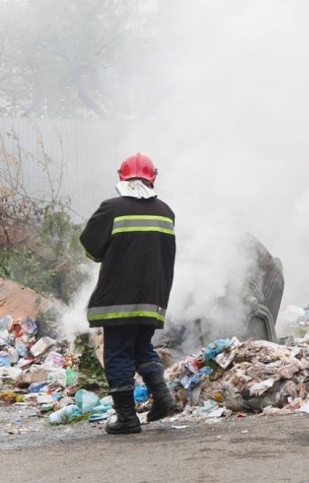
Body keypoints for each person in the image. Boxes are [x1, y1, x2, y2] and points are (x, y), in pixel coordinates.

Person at [80, 153, 178, 434]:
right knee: (141, 347)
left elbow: (90, 248)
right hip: (153, 297)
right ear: (153, 177)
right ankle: (162, 397)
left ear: (121, 177)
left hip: (117, 299)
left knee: (117, 353)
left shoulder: (111, 208)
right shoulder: (166, 212)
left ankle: (126, 417)